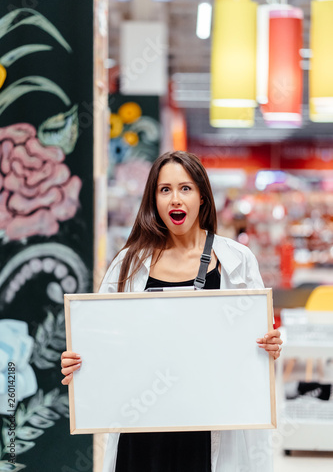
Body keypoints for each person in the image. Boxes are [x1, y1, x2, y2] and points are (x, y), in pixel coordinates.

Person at [61, 151, 282, 472]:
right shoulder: (129, 263)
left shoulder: (237, 260)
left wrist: (271, 347)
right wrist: (78, 362)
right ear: (154, 199)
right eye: (165, 190)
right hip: (144, 429)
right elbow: (100, 339)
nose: (175, 199)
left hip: (208, 427)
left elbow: (256, 344)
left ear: (203, 197)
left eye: (185, 188)